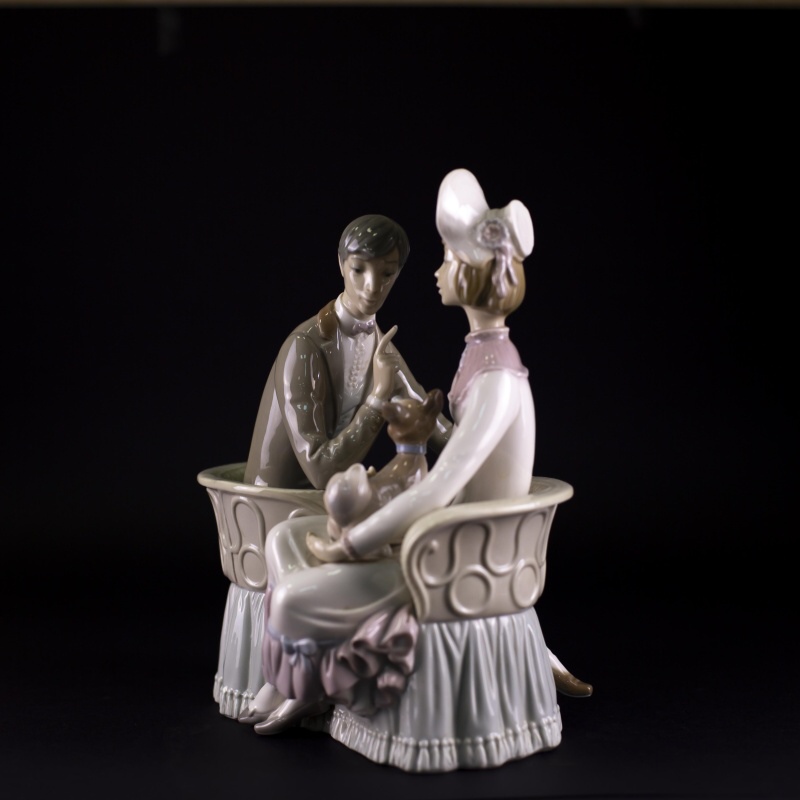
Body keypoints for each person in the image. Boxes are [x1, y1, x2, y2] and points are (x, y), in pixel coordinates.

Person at [240, 170, 589, 737]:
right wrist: (392, 414)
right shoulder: (473, 359)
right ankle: (303, 680)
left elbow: (442, 473)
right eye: (361, 270)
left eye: (445, 259)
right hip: (398, 515)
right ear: (341, 266)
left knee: (292, 596)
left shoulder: (497, 379)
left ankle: (308, 684)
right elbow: (431, 445)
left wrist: (355, 539)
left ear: (470, 277)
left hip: (451, 543)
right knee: (283, 540)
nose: (434, 270)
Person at [244, 213, 450, 488]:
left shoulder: (382, 348)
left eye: (387, 273)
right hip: (280, 501)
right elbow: (320, 470)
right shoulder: (304, 346)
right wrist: (378, 399)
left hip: (334, 499)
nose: (372, 286)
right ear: (341, 265)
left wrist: (486, 449)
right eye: (359, 270)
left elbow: (431, 420)